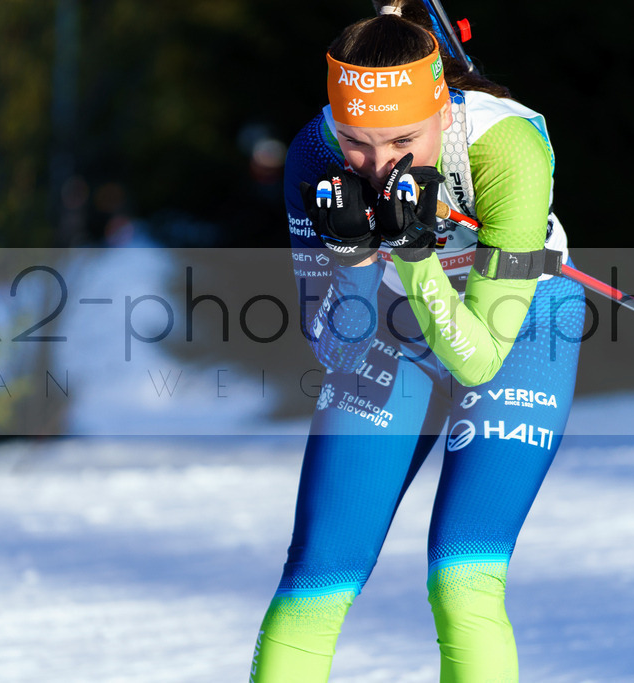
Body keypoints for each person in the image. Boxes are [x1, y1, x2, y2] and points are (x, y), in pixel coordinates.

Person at [251, 1, 586, 681]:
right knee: (318, 572)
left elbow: (479, 358)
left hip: (521, 325)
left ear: (442, 109)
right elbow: (333, 348)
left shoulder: (507, 147)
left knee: (463, 578)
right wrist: (352, 260)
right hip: (393, 327)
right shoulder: (314, 152)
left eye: (403, 139)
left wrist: (412, 255)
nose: (378, 165)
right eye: (357, 141)